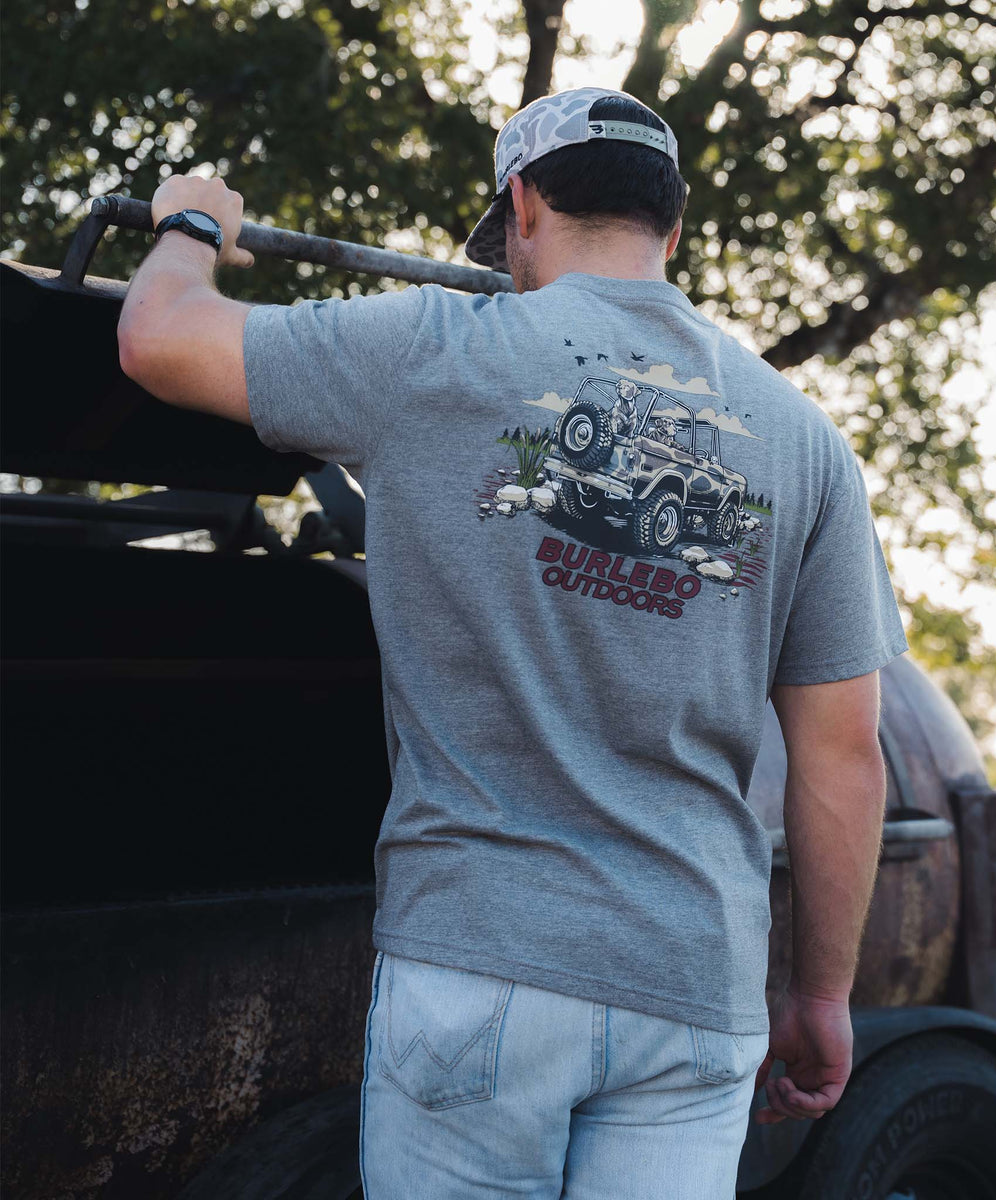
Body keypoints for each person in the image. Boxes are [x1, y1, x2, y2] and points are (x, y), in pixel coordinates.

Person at [117, 86, 908, 1199]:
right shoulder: (804, 438)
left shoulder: (427, 348)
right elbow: (843, 754)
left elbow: (157, 339)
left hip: (479, 966)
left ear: (524, 206)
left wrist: (192, 223)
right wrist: (821, 995)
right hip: (694, 985)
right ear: (672, 227)